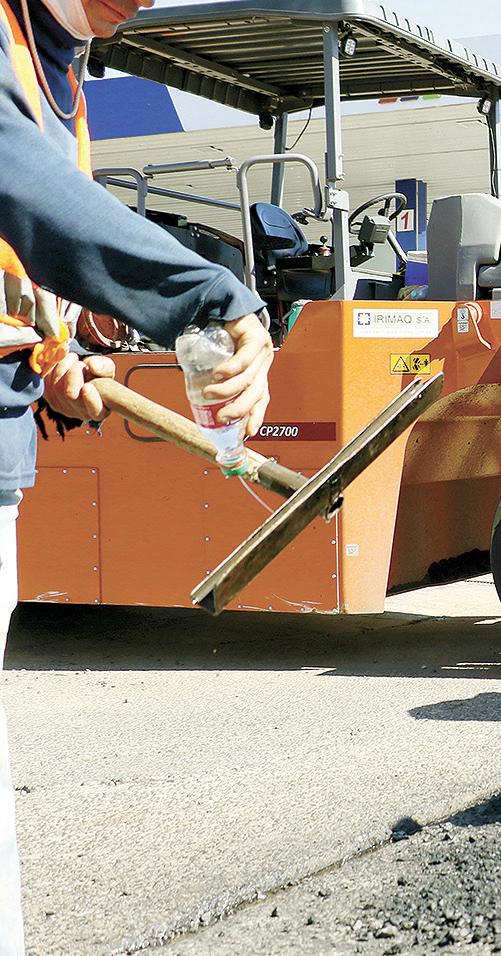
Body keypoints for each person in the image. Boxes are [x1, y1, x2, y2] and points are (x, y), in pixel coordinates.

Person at [0, 0, 273, 949]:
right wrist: (209, 296)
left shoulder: (60, 69)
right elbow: (19, 183)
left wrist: (57, 359)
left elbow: (23, 253)